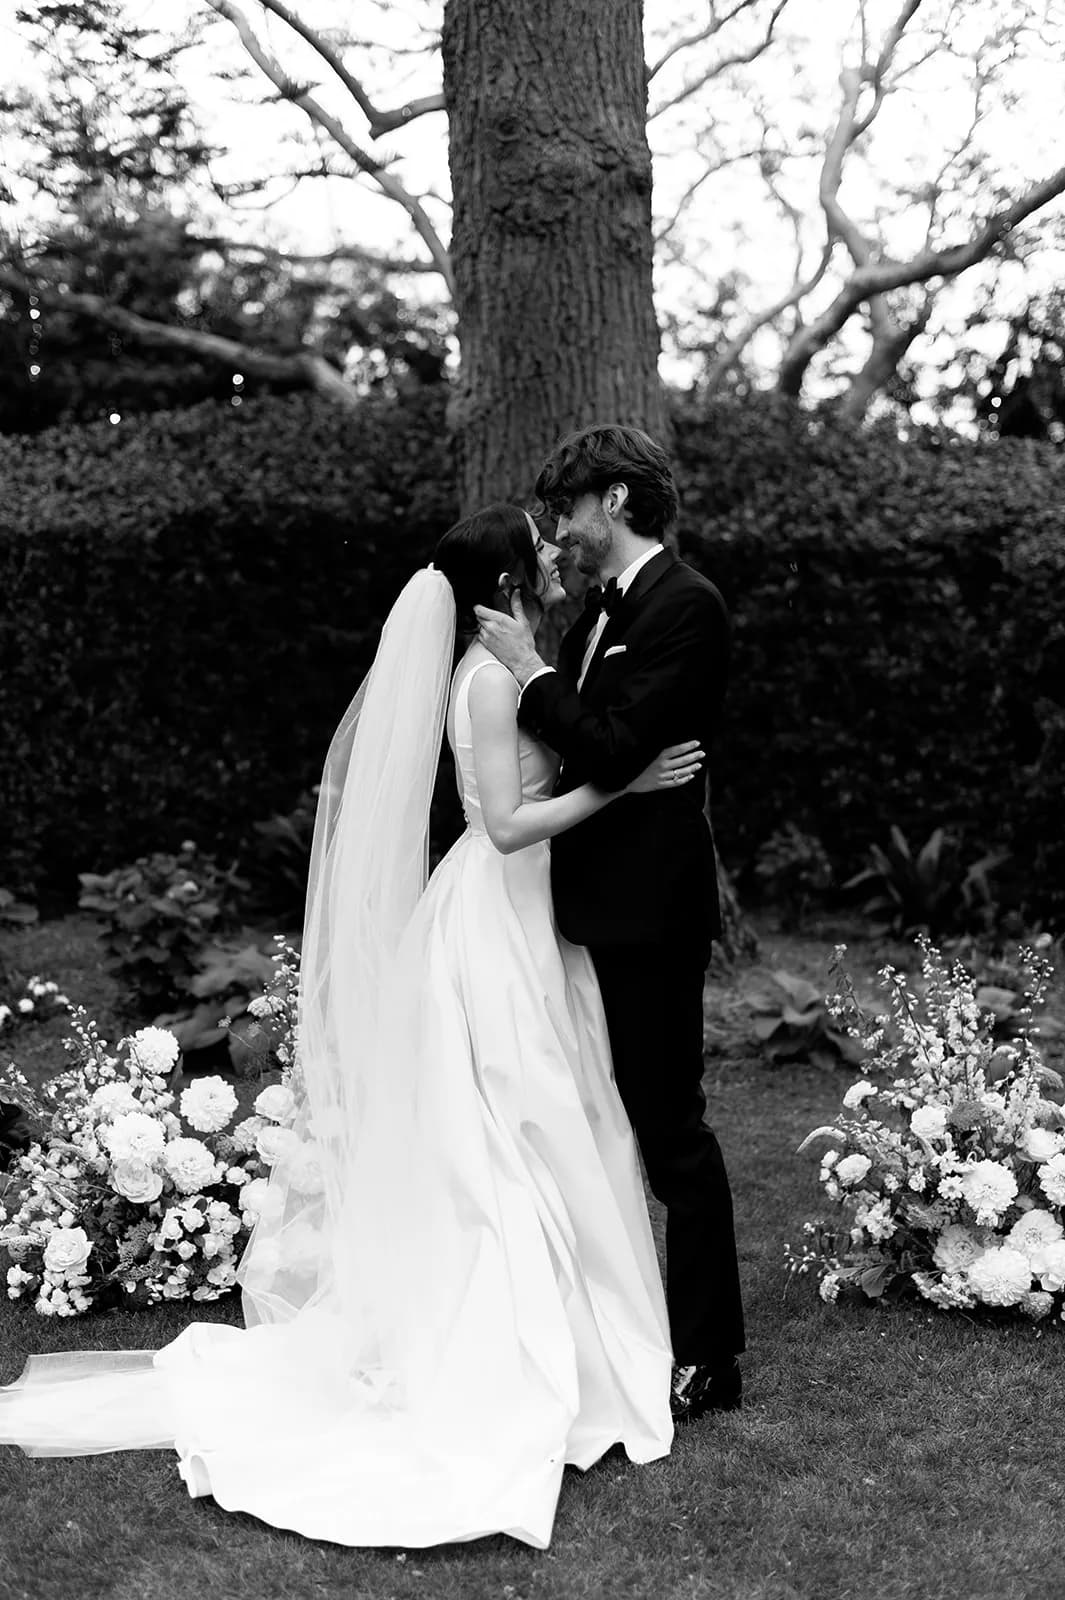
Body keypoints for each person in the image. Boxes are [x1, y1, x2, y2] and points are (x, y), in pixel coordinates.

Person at [0, 504, 705, 1551]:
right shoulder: (498, 679)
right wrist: (622, 781)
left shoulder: (494, 666)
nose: (557, 555)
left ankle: (571, 1333)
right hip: (496, 912)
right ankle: (536, 1351)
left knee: (534, 1121)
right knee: (516, 1125)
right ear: (510, 578)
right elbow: (508, 825)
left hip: (502, 914)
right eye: (540, 545)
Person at [474, 425, 746, 1422]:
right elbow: (607, 756)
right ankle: (620, 1317)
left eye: (574, 507)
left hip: (650, 909)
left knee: (672, 1127)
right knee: (606, 1118)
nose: (564, 527)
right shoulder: (599, 611)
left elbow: (611, 746)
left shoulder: (687, 607)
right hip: (589, 901)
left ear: (619, 499)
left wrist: (527, 669)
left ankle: (711, 1354)